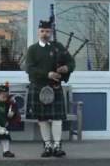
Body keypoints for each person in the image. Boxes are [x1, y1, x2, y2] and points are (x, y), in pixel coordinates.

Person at [25, 20, 75, 158]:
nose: (45, 34)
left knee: (57, 118)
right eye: (42, 31)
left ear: (51, 32)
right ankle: (47, 146)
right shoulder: (33, 49)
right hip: (39, 86)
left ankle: (57, 146)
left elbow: (71, 62)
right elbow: (28, 68)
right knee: (42, 119)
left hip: (55, 86)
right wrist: (47, 74)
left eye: (47, 31)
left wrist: (66, 68)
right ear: (38, 32)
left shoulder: (58, 47)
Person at [0, 84, 20, 160]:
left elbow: (10, 110)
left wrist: (11, 114)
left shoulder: (6, 103)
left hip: (4, 124)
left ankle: (6, 151)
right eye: (3, 97)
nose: (5, 98)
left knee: (5, 138)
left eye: (6, 96)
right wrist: (4, 122)